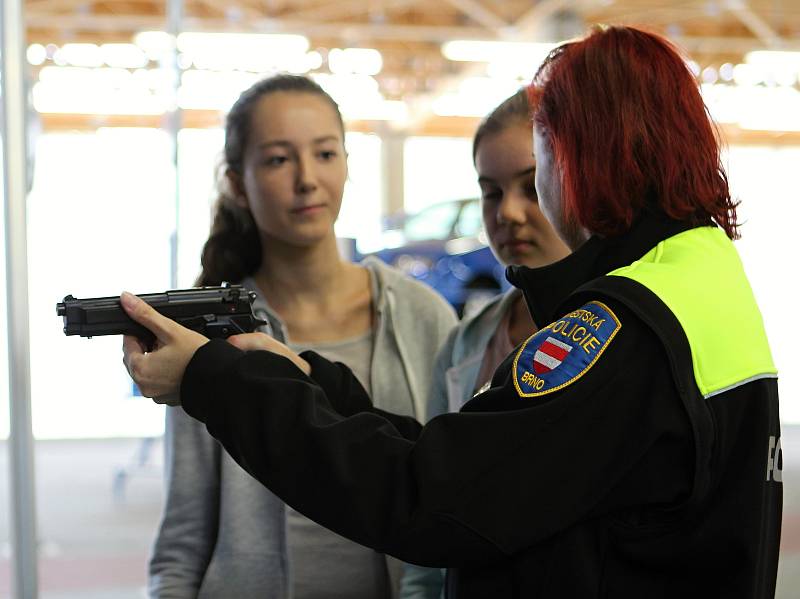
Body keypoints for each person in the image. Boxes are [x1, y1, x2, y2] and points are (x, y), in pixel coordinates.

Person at [123, 26, 782, 599]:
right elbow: (480, 460)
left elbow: (432, 497)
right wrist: (309, 380)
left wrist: (216, 380)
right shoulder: (701, 281)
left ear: (579, 155)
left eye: (541, 154)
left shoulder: (627, 325)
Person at [147, 74, 457, 599]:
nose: (307, 179)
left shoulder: (421, 315)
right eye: (277, 159)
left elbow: (452, 488)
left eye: (325, 154)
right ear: (237, 183)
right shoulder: (209, 338)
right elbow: (183, 535)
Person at [399, 89, 569, 599]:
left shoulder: (620, 340)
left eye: (532, 187)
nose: (509, 212)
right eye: (491, 192)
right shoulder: (465, 345)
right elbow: (429, 513)